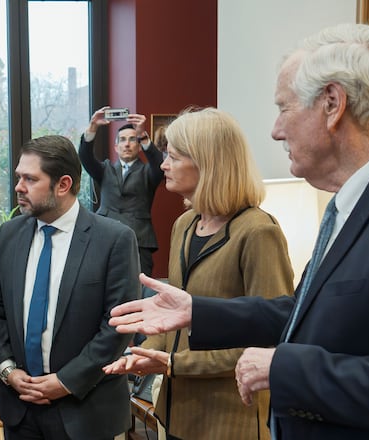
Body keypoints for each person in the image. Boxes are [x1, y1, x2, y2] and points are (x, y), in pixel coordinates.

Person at [107, 24, 369, 440]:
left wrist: (280, 365)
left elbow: (292, 337)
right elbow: (297, 315)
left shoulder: (259, 230)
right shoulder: (342, 207)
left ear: (332, 104)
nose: (275, 130)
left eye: (284, 108)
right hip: (182, 414)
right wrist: (197, 312)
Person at [103, 107, 295, 440]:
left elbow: (270, 338)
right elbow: (170, 317)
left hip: (231, 419)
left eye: (173, 157)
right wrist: (144, 353)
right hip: (177, 414)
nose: (163, 165)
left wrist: (174, 364)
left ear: (208, 163)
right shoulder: (184, 225)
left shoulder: (258, 232)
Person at [0, 135, 140, 440]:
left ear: (63, 185)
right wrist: (7, 370)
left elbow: (117, 326)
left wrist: (65, 381)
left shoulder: (114, 239)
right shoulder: (8, 235)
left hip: (85, 409)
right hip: (21, 406)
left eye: (30, 179)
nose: (18, 187)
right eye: (18, 177)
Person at [79, 109, 164, 276]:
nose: (127, 144)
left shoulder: (148, 172)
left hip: (139, 240)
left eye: (132, 139)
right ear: (116, 147)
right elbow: (85, 157)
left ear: (139, 146)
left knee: (139, 288)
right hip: (104, 236)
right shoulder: (105, 170)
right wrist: (92, 128)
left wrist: (143, 135)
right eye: (122, 140)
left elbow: (158, 164)